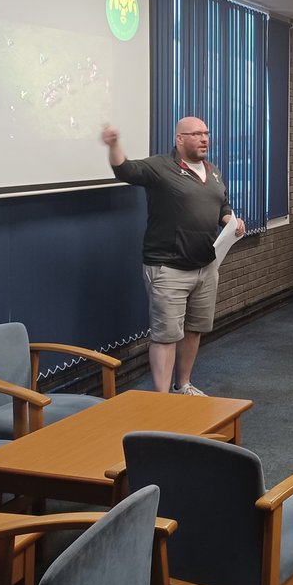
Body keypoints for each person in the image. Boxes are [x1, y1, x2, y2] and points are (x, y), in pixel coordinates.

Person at [100, 117, 246, 396]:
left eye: (207, 133)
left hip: (206, 266)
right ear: (179, 139)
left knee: (194, 329)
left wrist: (231, 220)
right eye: (196, 134)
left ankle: (184, 385)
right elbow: (126, 171)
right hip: (168, 268)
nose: (205, 139)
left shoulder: (213, 171)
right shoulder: (160, 167)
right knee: (166, 335)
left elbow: (221, 205)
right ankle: (162, 399)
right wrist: (114, 145)